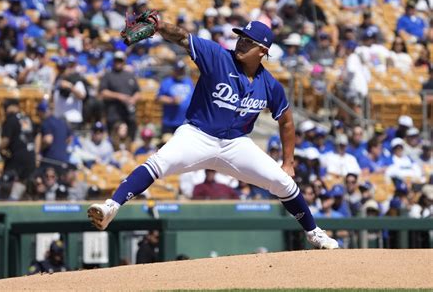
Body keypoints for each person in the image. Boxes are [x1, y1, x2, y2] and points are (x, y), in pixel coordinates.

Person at [88, 19, 339, 249]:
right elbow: (183, 37)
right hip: (197, 135)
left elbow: (286, 121)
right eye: (240, 37)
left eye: (248, 41)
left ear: (263, 51)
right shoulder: (218, 56)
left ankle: (314, 232)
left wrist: (288, 161)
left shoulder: (270, 84)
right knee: (158, 163)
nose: (241, 43)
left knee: (284, 183)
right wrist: (159, 26)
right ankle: (111, 206)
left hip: (236, 145)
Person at [0, 99, 36, 199]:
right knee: (23, 180)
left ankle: (8, 202)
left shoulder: (10, 119)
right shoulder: (27, 118)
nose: (5, 110)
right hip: (31, 156)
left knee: (7, 179)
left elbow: (5, 140)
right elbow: (37, 135)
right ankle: (17, 199)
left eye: (6, 107)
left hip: (17, 157)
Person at [99, 51, 140, 139]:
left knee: (130, 137)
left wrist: (133, 99)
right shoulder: (108, 75)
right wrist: (119, 96)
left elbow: (137, 91)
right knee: (114, 138)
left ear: (124, 61)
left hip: (129, 113)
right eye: (116, 60)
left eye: (120, 60)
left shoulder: (130, 75)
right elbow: (103, 92)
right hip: (114, 113)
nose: (118, 63)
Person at [157, 60, 195, 134]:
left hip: (185, 122)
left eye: (182, 70)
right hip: (170, 123)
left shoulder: (188, 81)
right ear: (174, 70)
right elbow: (159, 98)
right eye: (178, 70)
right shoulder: (167, 82)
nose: (181, 72)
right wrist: (171, 100)